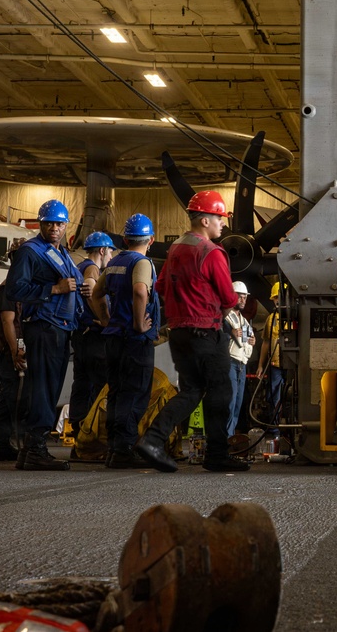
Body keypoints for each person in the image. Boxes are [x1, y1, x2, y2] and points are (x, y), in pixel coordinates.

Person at [135, 191, 247, 473]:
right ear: (206, 219)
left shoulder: (176, 249)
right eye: (221, 218)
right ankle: (217, 455)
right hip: (206, 332)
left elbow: (160, 288)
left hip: (180, 333)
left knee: (191, 391)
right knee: (221, 392)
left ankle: (152, 440)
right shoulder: (211, 252)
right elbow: (228, 296)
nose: (223, 223)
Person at [5, 199, 84, 471]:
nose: (54, 227)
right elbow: (14, 291)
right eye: (49, 222)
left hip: (60, 328)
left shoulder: (58, 252)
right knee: (43, 388)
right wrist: (54, 289)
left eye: (59, 223)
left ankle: (30, 451)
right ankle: (36, 449)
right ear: (40, 224)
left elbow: (72, 283)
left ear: (65, 225)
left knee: (49, 388)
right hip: (44, 327)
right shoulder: (31, 251)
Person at [91, 214, 159, 468]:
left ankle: (113, 447)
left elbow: (96, 294)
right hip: (134, 340)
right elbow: (141, 291)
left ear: (125, 239)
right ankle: (124, 450)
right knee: (135, 393)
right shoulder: (141, 263)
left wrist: (106, 319)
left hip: (114, 339)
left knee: (117, 393)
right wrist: (140, 324)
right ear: (150, 239)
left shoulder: (114, 262)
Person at [67, 231, 115, 437]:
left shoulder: (79, 266)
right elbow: (90, 286)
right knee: (101, 384)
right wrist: (105, 321)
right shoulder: (92, 268)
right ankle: (95, 430)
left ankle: (78, 427)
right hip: (93, 335)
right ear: (102, 250)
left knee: (81, 383)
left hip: (80, 335)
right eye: (110, 252)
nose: (111, 258)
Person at [0, 238, 30, 462]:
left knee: (14, 394)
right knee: (10, 394)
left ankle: (7, 442)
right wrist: (15, 352)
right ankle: (2, 442)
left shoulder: (19, 284)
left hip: (15, 347)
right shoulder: (8, 287)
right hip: (7, 350)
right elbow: (7, 321)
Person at [225, 281, 255, 437]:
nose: (243, 300)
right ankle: (224, 439)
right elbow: (216, 332)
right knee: (229, 402)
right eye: (240, 297)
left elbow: (247, 338)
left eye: (245, 297)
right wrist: (230, 332)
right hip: (229, 363)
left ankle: (229, 438)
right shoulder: (225, 316)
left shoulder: (242, 320)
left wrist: (252, 341)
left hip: (242, 364)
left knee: (237, 403)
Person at [256, 283, 284, 430]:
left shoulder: (296, 317)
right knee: (274, 397)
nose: (278, 301)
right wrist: (261, 365)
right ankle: (275, 430)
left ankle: (290, 430)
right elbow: (265, 343)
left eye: (280, 297)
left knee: (291, 397)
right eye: (275, 298)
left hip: (292, 367)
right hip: (275, 366)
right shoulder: (271, 319)